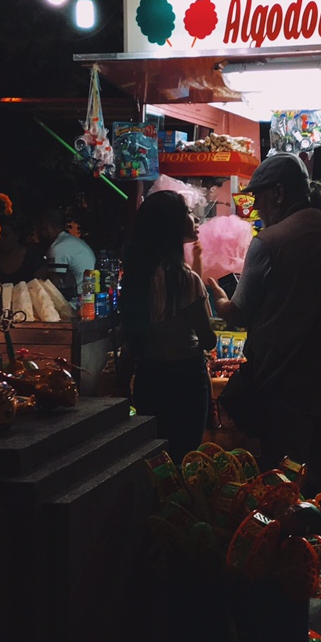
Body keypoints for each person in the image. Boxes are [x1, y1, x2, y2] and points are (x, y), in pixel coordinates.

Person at [206, 153, 321, 605]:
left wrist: (216, 292)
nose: (256, 209)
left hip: (287, 384)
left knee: (283, 485)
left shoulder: (270, 241)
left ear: (278, 193)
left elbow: (240, 312)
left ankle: (287, 585)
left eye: (259, 198)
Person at [119, 190, 217, 462]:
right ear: (171, 225)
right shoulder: (185, 280)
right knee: (184, 461)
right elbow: (208, 340)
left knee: (156, 464)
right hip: (186, 381)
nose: (194, 218)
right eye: (187, 211)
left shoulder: (137, 276)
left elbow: (131, 338)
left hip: (150, 379)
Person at [35, 206, 96, 301]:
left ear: (45, 226)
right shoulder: (72, 242)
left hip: (74, 304)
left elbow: (51, 289)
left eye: (38, 228)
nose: (36, 233)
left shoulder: (57, 248)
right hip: (88, 300)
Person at [0, 215, 52, 284]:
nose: (1, 239)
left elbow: (42, 285)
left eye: (5, 235)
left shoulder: (33, 256)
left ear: (17, 235)